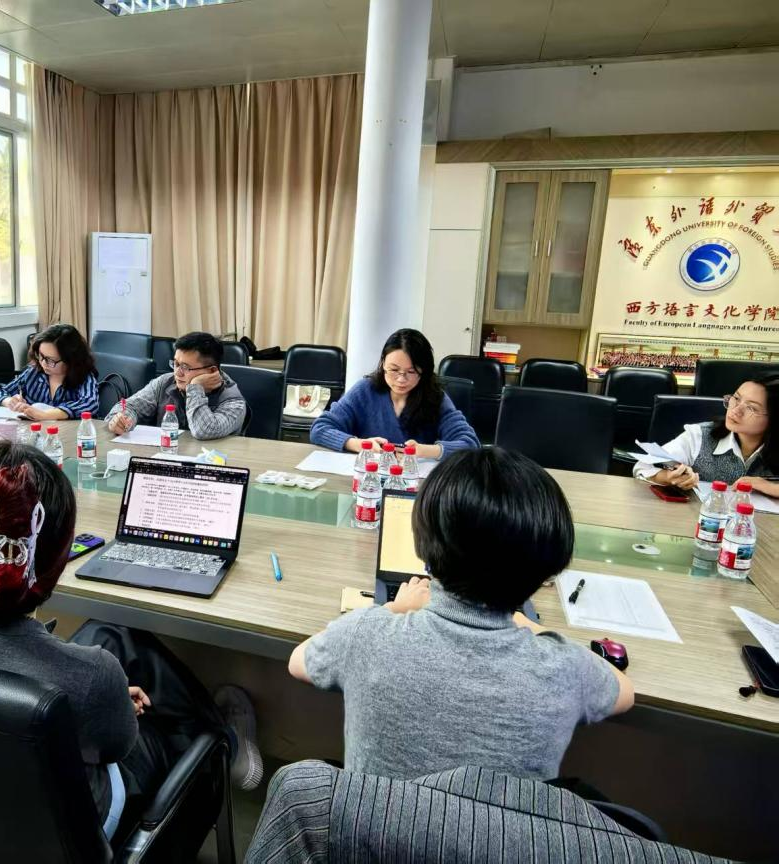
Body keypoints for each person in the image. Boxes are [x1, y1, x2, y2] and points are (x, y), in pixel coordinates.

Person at [0, 440, 261, 840]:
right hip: (72, 827)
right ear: (61, 555)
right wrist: (112, 703)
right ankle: (224, 743)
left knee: (111, 633)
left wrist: (101, 699)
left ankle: (224, 736)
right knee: (173, 732)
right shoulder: (94, 678)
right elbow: (116, 746)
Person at [288, 446, 634, 782]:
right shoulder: (566, 668)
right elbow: (623, 691)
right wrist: (526, 623)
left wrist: (393, 608)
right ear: (549, 568)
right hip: (499, 826)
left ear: (422, 548)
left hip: (374, 822)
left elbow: (299, 660)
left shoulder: (364, 634)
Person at [310, 329, 479, 458]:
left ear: (424, 371)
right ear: (383, 363)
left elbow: (470, 444)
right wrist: (359, 444)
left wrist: (423, 451)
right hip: (369, 480)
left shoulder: (435, 397)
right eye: (393, 370)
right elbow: (320, 428)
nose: (401, 379)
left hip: (417, 483)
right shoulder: (365, 390)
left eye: (411, 372)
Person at [634, 375, 779, 496]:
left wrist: (771, 487)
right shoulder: (699, 435)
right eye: (736, 398)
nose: (735, 410)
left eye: (751, 408)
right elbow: (643, 467)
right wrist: (668, 477)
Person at [104, 331, 246, 441]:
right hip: (166, 457)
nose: (177, 373)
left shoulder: (233, 401)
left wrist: (195, 388)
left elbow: (204, 431)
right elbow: (129, 407)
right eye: (176, 364)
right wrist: (122, 420)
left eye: (185, 367)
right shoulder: (165, 382)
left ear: (211, 371)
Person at [0, 323, 99, 421]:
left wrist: (46, 415)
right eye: (41, 356)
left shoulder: (84, 377)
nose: (43, 363)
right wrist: (9, 401)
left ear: (71, 359)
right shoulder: (33, 372)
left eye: (50, 360)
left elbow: (90, 404)